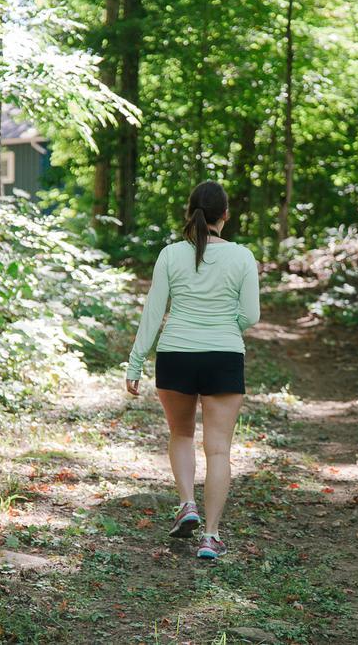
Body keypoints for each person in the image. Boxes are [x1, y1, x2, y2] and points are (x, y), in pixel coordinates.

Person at [125, 180, 261, 560]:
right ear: (226, 215)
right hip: (223, 356)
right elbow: (250, 314)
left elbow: (154, 313)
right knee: (218, 451)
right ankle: (212, 536)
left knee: (181, 435)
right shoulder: (242, 256)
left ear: (188, 212)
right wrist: (221, 324)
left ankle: (187, 504)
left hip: (176, 354)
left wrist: (135, 362)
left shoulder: (170, 254)